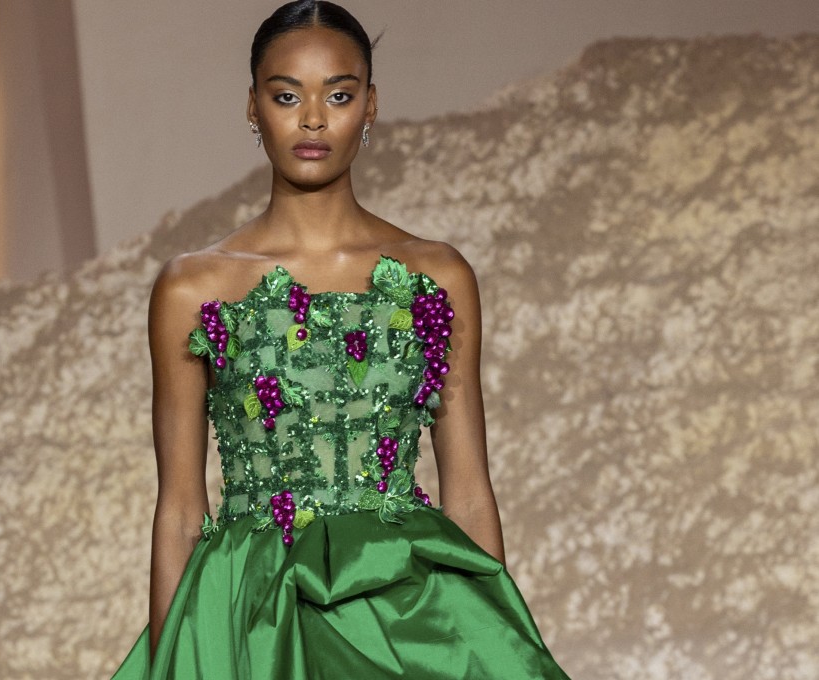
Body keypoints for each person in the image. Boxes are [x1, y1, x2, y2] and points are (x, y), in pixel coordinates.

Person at [111, 2, 569, 677]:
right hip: (251, 616)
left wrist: (496, 650)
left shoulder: (435, 274)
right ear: (253, 106)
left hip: (407, 606)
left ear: (371, 105)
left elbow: (467, 489)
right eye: (287, 95)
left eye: (341, 94)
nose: (314, 119)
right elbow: (180, 509)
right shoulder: (193, 288)